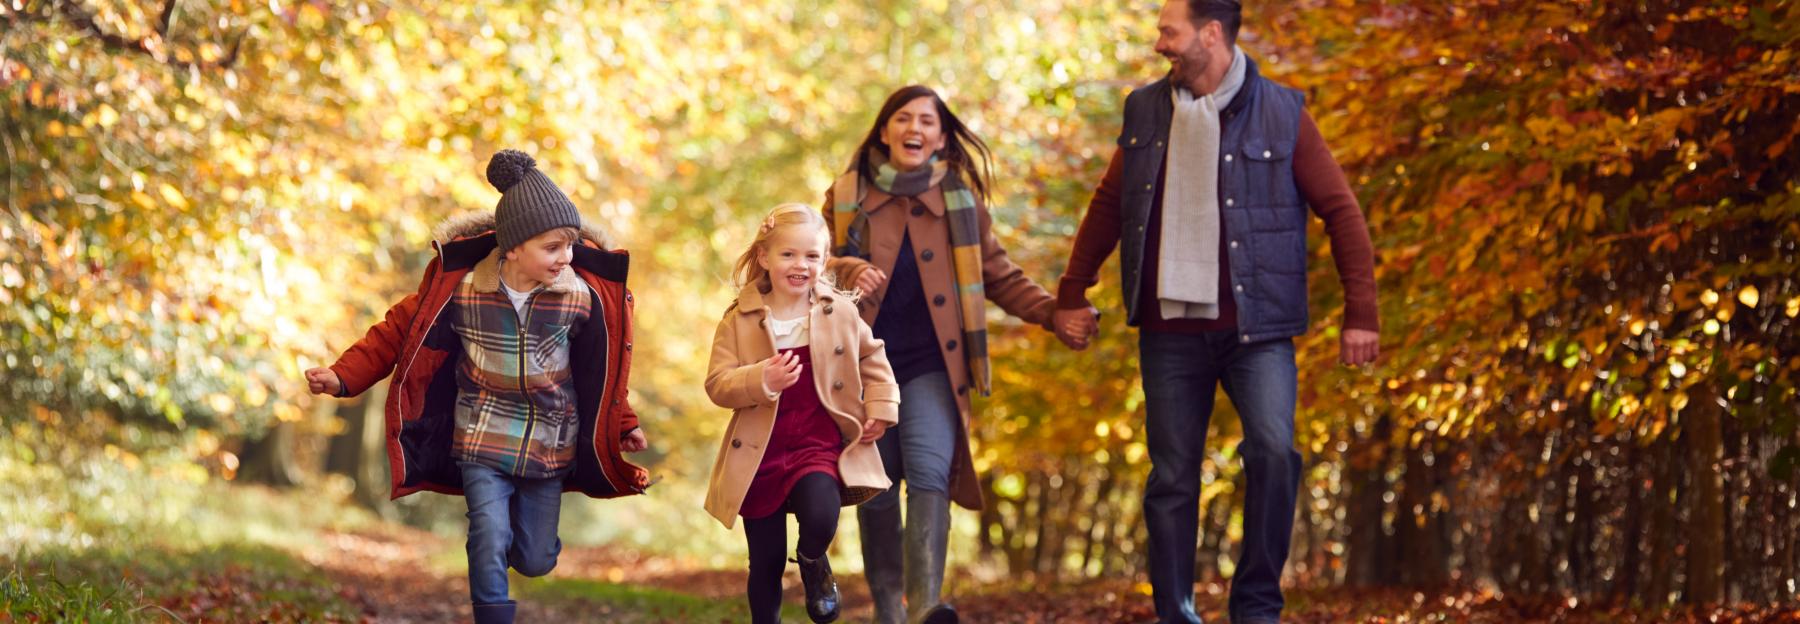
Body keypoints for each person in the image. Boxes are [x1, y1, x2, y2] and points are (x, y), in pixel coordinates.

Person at [1052, 2, 1381, 622]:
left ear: (1210, 34)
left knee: (1273, 452)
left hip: (1258, 330)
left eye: (1168, 32)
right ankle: (1176, 611)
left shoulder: (1283, 112)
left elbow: (1341, 211)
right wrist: (1073, 289)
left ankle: (1256, 605)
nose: (1159, 45)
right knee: (1172, 474)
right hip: (1169, 329)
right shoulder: (1145, 109)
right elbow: (1109, 203)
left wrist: (1360, 311)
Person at [304, 149, 651, 624]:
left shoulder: (578, 298)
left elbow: (602, 370)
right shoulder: (463, 290)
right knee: (487, 531)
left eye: (570, 245)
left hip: (550, 444)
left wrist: (624, 424)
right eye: (553, 247)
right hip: (482, 434)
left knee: (534, 559)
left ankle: (523, 544)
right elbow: (395, 334)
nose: (566, 257)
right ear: (512, 248)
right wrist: (342, 376)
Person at [823, 85, 1074, 624]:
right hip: (866, 369)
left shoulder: (962, 202)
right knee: (878, 487)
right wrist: (847, 271)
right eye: (904, 118)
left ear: (941, 136)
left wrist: (1054, 313)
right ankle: (890, 607)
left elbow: (1000, 277)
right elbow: (813, 267)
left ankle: (925, 610)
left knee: (931, 474)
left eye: (928, 121)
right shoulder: (847, 194)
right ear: (885, 129)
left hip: (934, 366)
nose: (916, 128)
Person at [704, 203, 900, 624]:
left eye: (811, 256)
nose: (800, 265)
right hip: (759, 452)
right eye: (788, 254)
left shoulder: (839, 312)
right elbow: (717, 384)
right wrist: (761, 379)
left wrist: (880, 408)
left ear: (823, 260)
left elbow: (873, 357)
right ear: (765, 258)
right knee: (767, 560)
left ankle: (812, 561)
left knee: (821, 512)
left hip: (817, 443)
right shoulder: (739, 320)